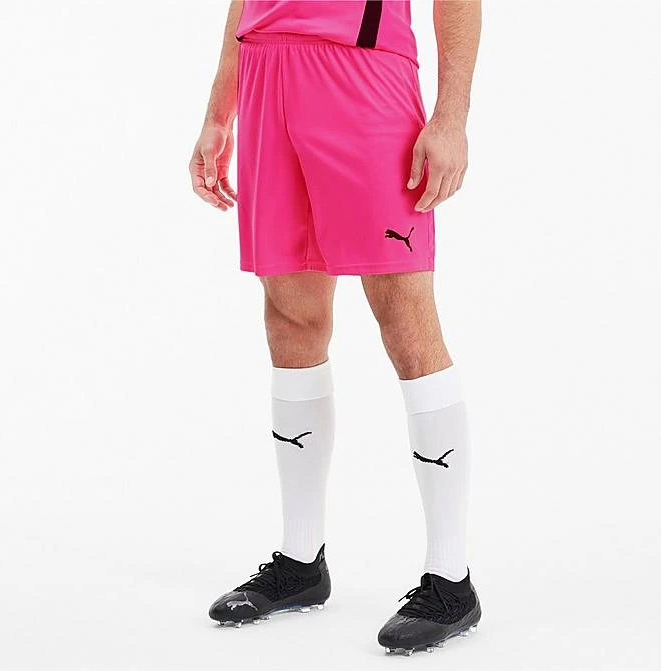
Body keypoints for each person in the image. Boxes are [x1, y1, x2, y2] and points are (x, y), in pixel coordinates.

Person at [189, 0, 481, 655]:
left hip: (364, 73)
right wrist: (218, 111)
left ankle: (451, 578)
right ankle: (300, 562)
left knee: (404, 315)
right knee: (291, 314)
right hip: (266, 75)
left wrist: (450, 117)